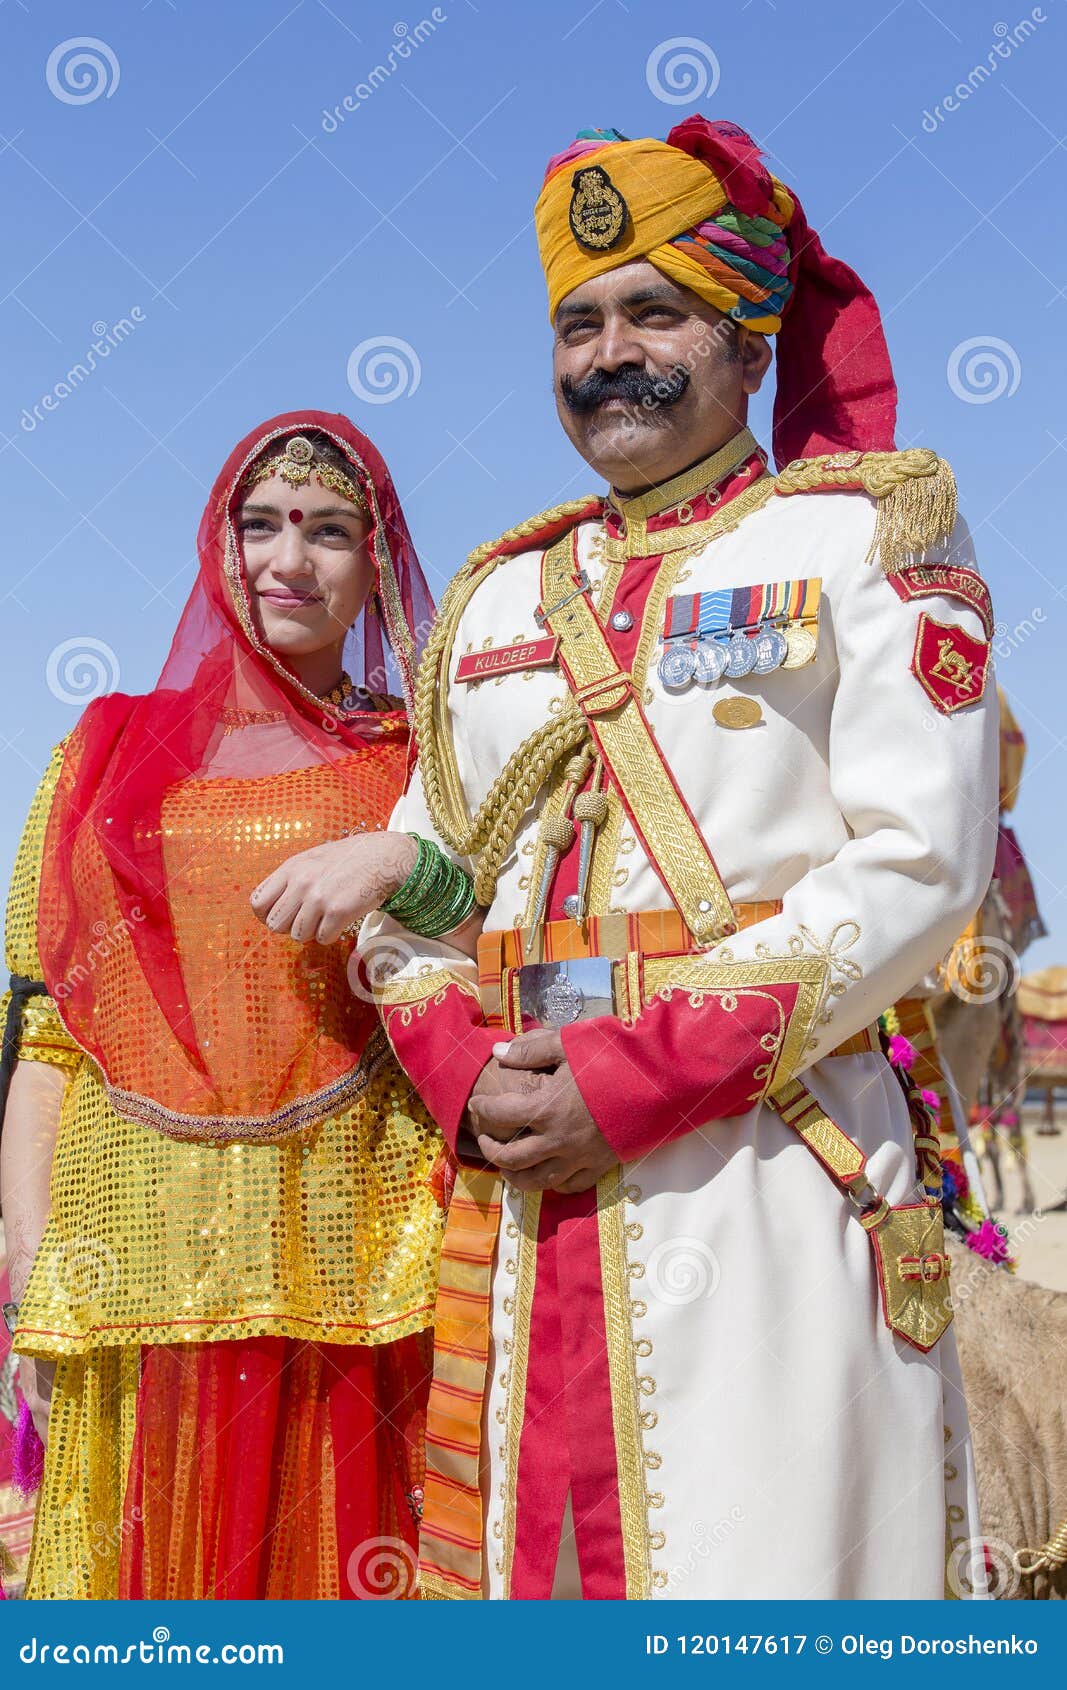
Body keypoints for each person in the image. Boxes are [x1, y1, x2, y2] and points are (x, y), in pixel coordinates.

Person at [264, 121, 999, 1600]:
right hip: (521, 1195)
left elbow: (919, 863)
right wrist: (462, 1069)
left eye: (652, 315)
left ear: (740, 344)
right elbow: (424, 884)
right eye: (576, 323)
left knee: (770, 1574)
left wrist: (633, 1073)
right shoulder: (493, 598)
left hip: (765, 1165)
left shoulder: (863, 536)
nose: (609, 354)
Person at [0, 412, 462, 1599]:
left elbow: (490, 952)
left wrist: (404, 863)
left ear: (376, 567)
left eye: (328, 532)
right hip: (132, 1269)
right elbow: (51, 1038)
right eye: (258, 525)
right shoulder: (104, 754)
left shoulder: (421, 768)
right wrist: (36, 1272)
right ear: (216, 547)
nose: (287, 560)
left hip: (353, 1272)